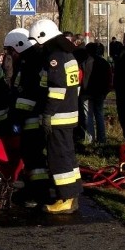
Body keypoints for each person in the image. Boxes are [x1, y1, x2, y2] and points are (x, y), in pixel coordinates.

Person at [28, 19, 83, 214]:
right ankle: (72, 194)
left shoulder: (55, 57)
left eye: (37, 41)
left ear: (43, 37)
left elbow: (57, 89)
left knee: (59, 157)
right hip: (68, 114)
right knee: (67, 156)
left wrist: (48, 114)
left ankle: (65, 199)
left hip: (59, 116)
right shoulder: (66, 54)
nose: (37, 46)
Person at [4, 28, 49, 207]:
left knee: (35, 157)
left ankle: (39, 194)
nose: (9, 55)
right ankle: (35, 190)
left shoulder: (31, 62)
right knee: (30, 156)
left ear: (19, 47)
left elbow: (29, 93)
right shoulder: (27, 60)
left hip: (32, 119)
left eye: (10, 51)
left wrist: (17, 113)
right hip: (28, 117)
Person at [80, 42, 112, 144]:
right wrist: (105, 91)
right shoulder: (104, 63)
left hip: (87, 92)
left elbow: (80, 77)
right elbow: (109, 78)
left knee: (88, 116)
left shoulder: (84, 62)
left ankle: (90, 138)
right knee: (99, 114)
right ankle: (102, 138)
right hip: (99, 93)